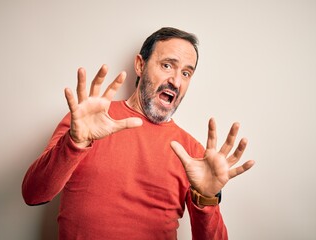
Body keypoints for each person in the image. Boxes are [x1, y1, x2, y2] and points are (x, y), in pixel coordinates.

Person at [22, 27, 255, 240]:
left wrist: (207, 199)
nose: (175, 81)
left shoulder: (193, 154)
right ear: (140, 65)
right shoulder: (88, 120)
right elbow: (33, 194)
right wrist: (75, 143)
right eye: (167, 65)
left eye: (186, 73)